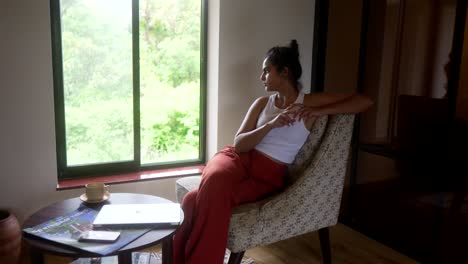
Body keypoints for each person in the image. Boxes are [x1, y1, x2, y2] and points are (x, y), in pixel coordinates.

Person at [173, 39, 373, 264]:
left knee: (192, 200)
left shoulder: (308, 101)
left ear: (284, 72)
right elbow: (239, 144)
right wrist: (270, 125)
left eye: (266, 71)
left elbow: (364, 101)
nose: (262, 77)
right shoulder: (261, 103)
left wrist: (317, 110)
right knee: (217, 177)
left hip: (266, 176)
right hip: (236, 159)